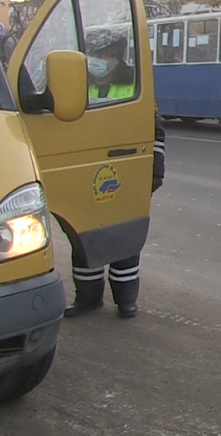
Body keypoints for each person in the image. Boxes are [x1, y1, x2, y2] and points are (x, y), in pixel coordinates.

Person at [64, 29, 166, 319]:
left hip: (125, 173)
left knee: (124, 238)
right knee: (84, 238)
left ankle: (126, 300)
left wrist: (154, 172)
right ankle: (87, 298)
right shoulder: (76, 84)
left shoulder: (135, 83)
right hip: (84, 173)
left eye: (105, 55)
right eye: (94, 54)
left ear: (118, 57)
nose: (99, 61)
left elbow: (154, 131)